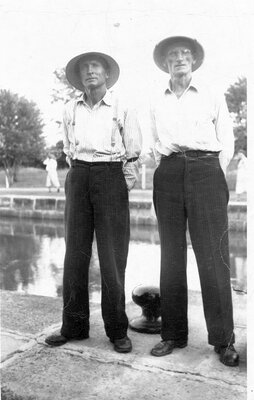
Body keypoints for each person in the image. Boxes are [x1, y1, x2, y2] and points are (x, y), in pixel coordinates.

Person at [149, 36, 239, 366]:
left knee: (214, 256)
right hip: (169, 171)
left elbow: (226, 138)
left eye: (185, 54)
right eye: (173, 56)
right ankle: (172, 334)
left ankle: (223, 339)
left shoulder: (212, 94)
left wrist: (213, 170)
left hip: (206, 170)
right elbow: (154, 141)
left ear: (194, 61)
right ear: (165, 64)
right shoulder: (156, 100)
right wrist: (168, 169)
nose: (180, 59)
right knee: (171, 255)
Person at [45, 51, 142, 353]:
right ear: (79, 76)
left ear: (106, 73)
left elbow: (134, 150)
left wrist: (117, 183)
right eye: (84, 68)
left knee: (112, 257)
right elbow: (67, 146)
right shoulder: (69, 108)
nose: (90, 71)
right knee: (75, 253)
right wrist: (79, 175)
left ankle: (117, 330)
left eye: (95, 66)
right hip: (79, 175)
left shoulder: (122, 106)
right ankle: (73, 326)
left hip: (111, 174)